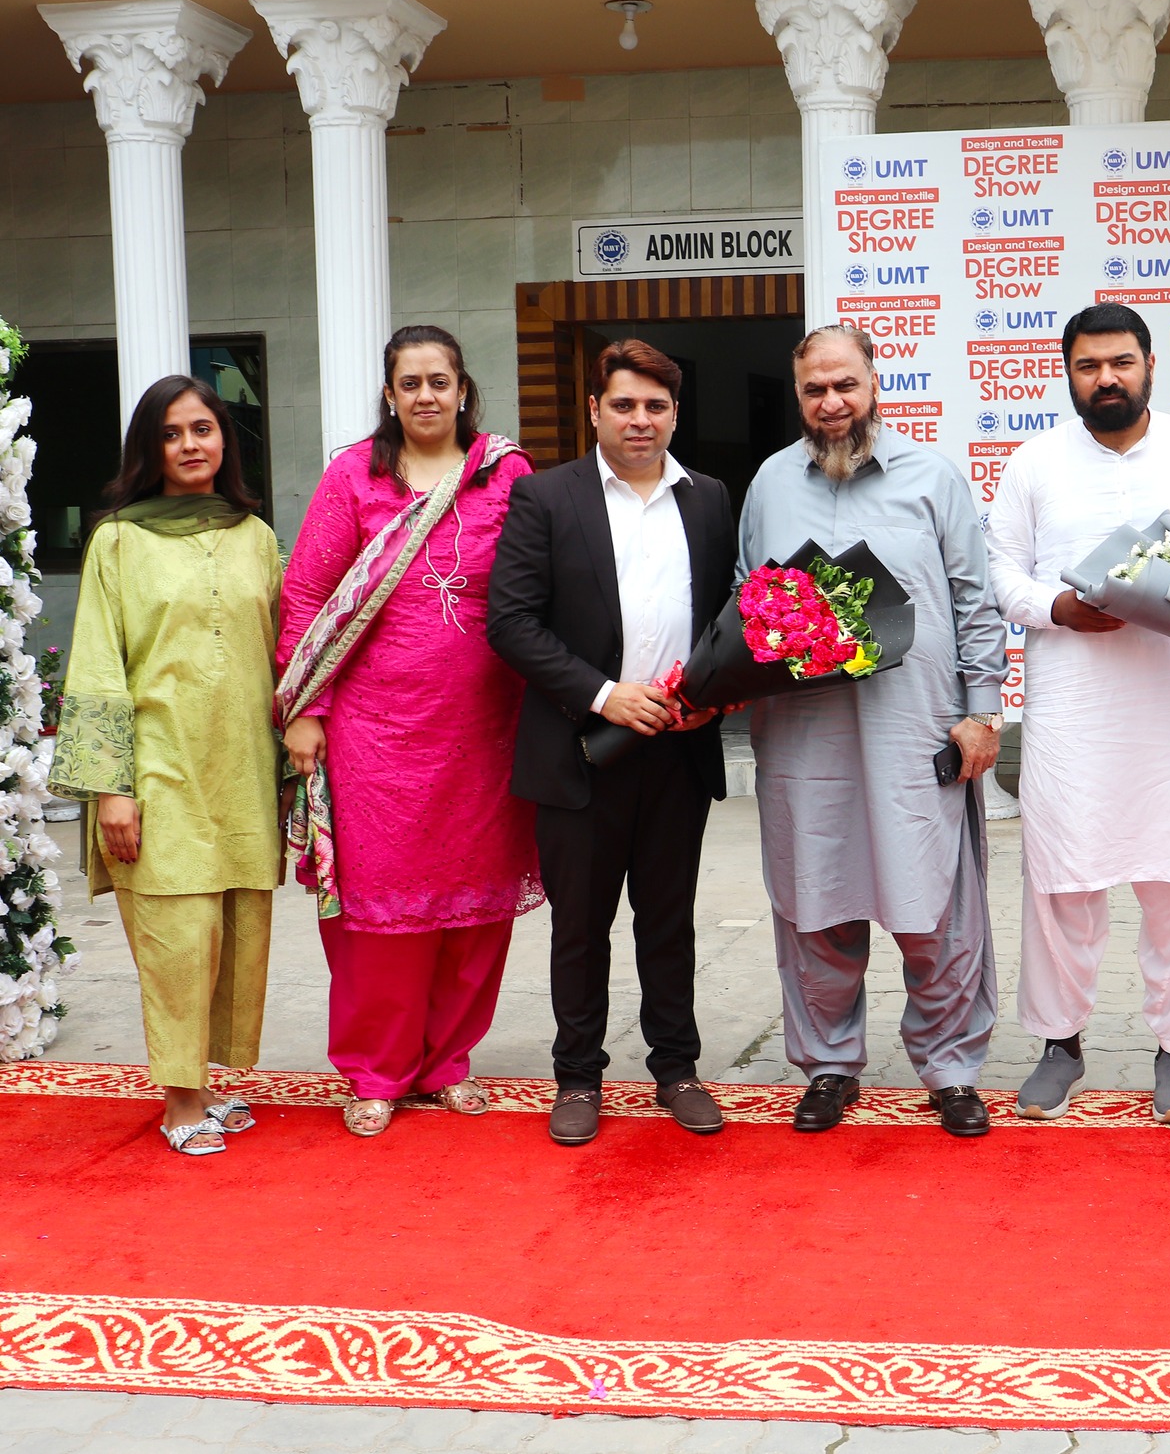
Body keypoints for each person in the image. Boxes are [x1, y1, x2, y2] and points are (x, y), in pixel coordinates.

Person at [742, 323, 1007, 1138]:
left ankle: (951, 1069)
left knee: (937, 911)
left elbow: (974, 599)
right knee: (815, 904)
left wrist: (982, 711)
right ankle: (829, 1065)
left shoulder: (933, 477)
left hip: (915, 733)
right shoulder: (769, 483)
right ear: (798, 395)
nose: (832, 402)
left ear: (873, 384)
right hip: (804, 740)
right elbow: (745, 599)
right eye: (815, 389)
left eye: (845, 385)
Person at [278, 326, 541, 1139]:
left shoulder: (505, 473)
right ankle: (377, 1069)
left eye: (440, 380)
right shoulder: (355, 475)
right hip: (374, 736)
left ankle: (446, 1060)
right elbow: (307, 594)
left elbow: (544, 582)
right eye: (410, 383)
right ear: (390, 395)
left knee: (475, 908)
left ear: (464, 389)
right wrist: (305, 711)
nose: (426, 395)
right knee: (376, 912)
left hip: (487, 729)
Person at [986, 302, 1170, 1124]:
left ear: (1151, 366)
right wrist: (1058, 607)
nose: (1106, 379)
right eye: (1089, 366)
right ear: (1068, 373)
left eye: (1121, 362)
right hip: (1071, 709)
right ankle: (1060, 1044)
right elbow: (1001, 572)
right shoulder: (1034, 462)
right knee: (1061, 881)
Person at [486, 339, 737, 1148]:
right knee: (580, 926)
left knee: (668, 920)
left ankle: (677, 1069)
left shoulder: (707, 497)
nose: (640, 419)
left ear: (675, 415)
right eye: (623, 404)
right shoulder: (546, 498)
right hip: (579, 749)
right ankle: (578, 1077)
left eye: (655, 406)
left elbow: (726, 617)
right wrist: (604, 694)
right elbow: (510, 622)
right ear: (594, 410)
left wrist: (712, 697)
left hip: (677, 748)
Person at [51, 375, 282, 1156]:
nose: (190, 444)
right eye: (173, 432)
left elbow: (282, 652)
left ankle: (205, 1081)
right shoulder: (118, 540)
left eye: (204, 428)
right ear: (149, 447)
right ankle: (181, 1097)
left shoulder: (255, 536)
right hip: (157, 770)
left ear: (225, 439)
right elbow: (95, 666)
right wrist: (111, 789)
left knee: (233, 932)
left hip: (241, 769)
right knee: (176, 937)